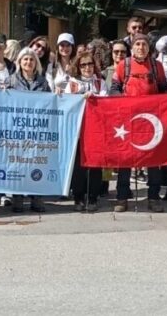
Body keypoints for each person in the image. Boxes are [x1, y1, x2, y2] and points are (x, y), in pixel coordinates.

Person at [109, 33, 167, 212]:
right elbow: (114, 90)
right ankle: (121, 198)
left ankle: (153, 197)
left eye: (144, 44)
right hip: (127, 121)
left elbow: (164, 89)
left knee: (153, 160)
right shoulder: (123, 65)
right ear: (132, 47)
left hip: (150, 120)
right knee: (125, 159)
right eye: (137, 44)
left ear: (149, 47)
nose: (141, 47)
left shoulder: (156, 66)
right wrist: (125, 103)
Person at [67, 52, 108, 212]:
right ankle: (78, 197)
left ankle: (93, 197)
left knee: (95, 164)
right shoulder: (72, 82)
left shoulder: (100, 83)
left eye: (90, 64)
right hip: (77, 129)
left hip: (96, 129)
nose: (87, 68)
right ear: (78, 66)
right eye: (83, 65)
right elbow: (67, 102)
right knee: (78, 165)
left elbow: (105, 101)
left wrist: (94, 97)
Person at [10, 47, 50, 213]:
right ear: (19, 62)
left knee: (36, 162)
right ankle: (17, 197)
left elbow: (50, 102)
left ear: (36, 63)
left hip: (37, 129)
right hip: (17, 128)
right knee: (17, 162)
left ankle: (36, 197)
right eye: (25, 59)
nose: (28, 62)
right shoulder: (11, 80)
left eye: (31, 59)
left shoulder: (43, 82)